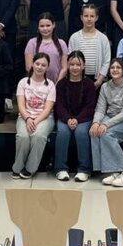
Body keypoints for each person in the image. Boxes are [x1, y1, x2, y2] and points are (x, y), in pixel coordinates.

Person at [90, 58, 123, 188]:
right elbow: (100, 108)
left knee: (107, 134)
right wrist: (96, 122)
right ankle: (112, 171)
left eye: (118, 67)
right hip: (110, 116)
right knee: (94, 131)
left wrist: (105, 124)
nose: (115, 70)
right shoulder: (105, 86)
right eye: (112, 67)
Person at [54, 51, 97, 182]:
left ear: (83, 66)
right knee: (62, 132)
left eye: (78, 64)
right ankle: (60, 168)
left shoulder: (89, 84)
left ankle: (84, 169)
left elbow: (89, 107)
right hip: (65, 118)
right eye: (72, 64)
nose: (75, 67)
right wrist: (68, 119)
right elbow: (59, 106)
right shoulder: (61, 84)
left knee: (81, 133)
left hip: (83, 118)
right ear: (67, 65)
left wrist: (77, 120)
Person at [13, 52, 56, 179]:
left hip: (44, 118)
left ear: (47, 67)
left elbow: (48, 109)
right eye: (37, 64)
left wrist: (35, 121)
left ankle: (30, 169)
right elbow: (21, 105)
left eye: (43, 65)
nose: (40, 67)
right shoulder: (23, 83)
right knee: (23, 136)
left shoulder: (51, 85)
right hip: (25, 117)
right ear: (32, 64)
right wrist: (27, 119)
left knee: (39, 136)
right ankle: (17, 168)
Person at [67, 4, 111, 86]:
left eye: (92, 16)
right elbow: (70, 59)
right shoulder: (74, 37)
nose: (89, 19)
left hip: (97, 79)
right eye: (86, 16)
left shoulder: (103, 38)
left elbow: (106, 61)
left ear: (96, 18)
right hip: (78, 78)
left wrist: (99, 81)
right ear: (81, 17)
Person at [24, 13, 69, 81]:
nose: (45, 28)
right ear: (38, 27)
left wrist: (57, 83)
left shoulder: (61, 43)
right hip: (37, 83)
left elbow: (64, 68)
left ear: (53, 25)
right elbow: (29, 67)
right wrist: (40, 83)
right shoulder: (32, 43)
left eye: (48, 25)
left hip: (56, 83)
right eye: (42, 26)